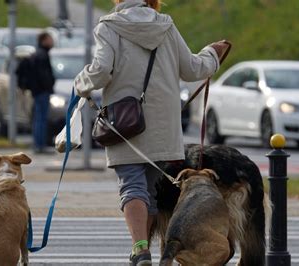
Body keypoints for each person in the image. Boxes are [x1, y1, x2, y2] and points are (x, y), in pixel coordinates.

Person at [74, 0, 230, 265]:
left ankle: (140, 248)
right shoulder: (166, 25)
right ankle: (142, 249)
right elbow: (192, 68)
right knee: (149, 189)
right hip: (163, 125)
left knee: (132, 185)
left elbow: (101, 71)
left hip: (125, 121)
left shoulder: (109, 27)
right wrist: (212, 54)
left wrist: (80, 83)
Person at [31, 32, 55, 153]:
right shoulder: (42, 55)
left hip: (38, 91)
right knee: (41, 119)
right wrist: (49, 85)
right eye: (50, 39)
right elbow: (43, 75)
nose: (52, 41)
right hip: (42, 92)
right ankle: (40, 145)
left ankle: (38, 144)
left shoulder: (38, 54)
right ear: (44, 40)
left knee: (38, 118)